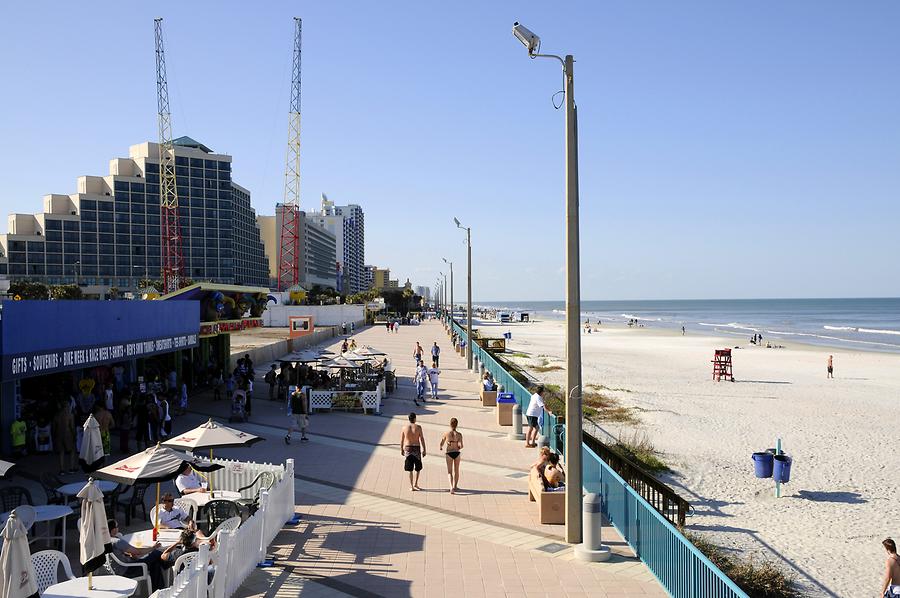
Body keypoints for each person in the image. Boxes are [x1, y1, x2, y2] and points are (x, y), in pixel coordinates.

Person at [108, 518, 165, 591]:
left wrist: (129, 555)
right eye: (117, 526)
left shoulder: (106, 541)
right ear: (113, 530)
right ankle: (167, 564)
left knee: (155, 563)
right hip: (127, 571)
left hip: (115, 569)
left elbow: (120, 554)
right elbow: (138, 551)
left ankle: (158, 589)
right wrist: (153, 547)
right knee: (155, 554)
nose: (118, 528)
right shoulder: (118, 542)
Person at [400, 412, 425, 491]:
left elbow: (402, 440)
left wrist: (401, 449)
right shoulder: (418, 427)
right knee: (418, 468)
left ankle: (412, 486)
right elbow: (422, 439)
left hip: (408, 449)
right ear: (415, 418)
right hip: (416, 449)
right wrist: (424, 449)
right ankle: (416, 483)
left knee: (410, 469)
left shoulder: (404, 428)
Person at [439, 418, 464, 494]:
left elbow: (441, 443)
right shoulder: (459, 435)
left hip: (449, 453)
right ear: (457, 425)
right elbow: (461, 446)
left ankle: (451, 487)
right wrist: (458, 446)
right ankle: (455, 486)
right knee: (456, 471)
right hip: (456, 453)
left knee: (449, 472)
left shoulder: (446, 434)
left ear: (450, 424)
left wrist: (441, 447)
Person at [53, 399, 77, 474]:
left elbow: (54, 427)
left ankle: (62, 470)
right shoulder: (70, 415)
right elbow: (72, 427)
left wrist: (54, 436)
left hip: (59, 434)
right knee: (72, 451)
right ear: (67, 406)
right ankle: (71, 468)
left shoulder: (57, 415)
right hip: (68, 434)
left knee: (61, 452)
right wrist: (74, 435)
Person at [525, 384, 546, 448]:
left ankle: (531, 442)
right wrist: (549, 411)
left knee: (533, 428)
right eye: (543, 392)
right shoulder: (538, 397)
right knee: (533, 428)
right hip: (532, 414)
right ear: (541, 392)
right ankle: (529, 443)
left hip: (531, 414)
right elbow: (543, 406)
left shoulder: (534, 395)